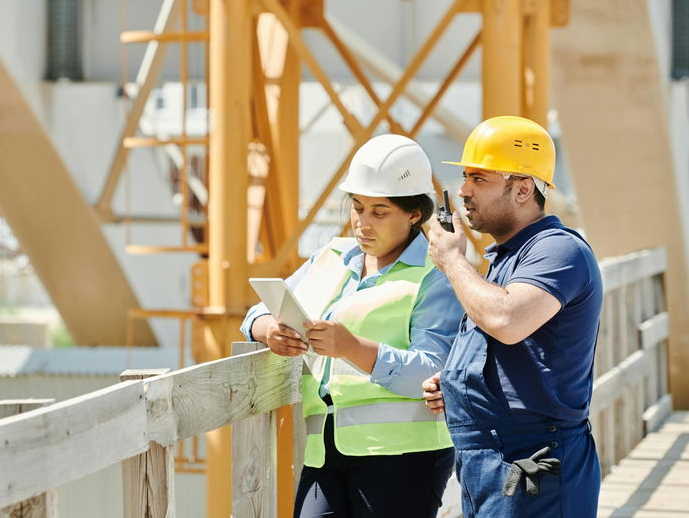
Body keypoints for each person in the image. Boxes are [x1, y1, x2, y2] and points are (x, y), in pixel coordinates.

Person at [241, 134, 463, 518]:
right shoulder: (331, 256)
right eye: (357, 208)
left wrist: (351, 348)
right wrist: (268, 330)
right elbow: (255, 313)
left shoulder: (436, 277)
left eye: (379, 212)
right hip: (324, 450)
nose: (362, 223)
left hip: (403, 458)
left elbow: (434, 373)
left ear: (414, 214)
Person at [422, 116, 603, 517]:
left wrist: (452, 260)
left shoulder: (558, 250)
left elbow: (505, 320)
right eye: (466, 177)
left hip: (534, 460)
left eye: (480, 179)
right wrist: (457, 383)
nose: (463, 190)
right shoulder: (506, 259)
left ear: (523, 189)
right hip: (492, 459)